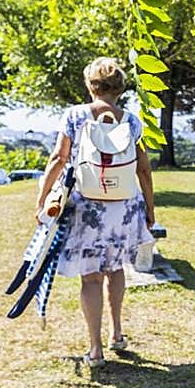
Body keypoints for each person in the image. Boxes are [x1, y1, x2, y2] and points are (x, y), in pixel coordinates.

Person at [35, 57, 156, 368]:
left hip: (87, 208)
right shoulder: (131, 121)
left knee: (91, 280)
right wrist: (150, 210)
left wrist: (42, 199)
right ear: (120, 88)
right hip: (124, 208)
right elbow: (143, 169)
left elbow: (58, 159)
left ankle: (96, 349)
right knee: (116, 270)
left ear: (90, 86)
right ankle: (117, 333)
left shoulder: (74, 116)